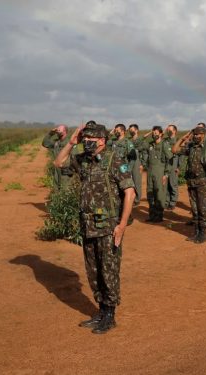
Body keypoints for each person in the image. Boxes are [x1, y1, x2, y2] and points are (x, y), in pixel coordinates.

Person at [53, 122, 135, 334]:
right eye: (84, 138)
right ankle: (100, 311)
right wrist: (71, 142)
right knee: (93, 271)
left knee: (108, 272)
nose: (86, 142)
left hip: (108, 227)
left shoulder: (114, 160)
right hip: (88, 225)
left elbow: (130, 193)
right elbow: (58, 162)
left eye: (90, 139)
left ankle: (110, 315)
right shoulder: (83, 161)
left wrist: (122, 225)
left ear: (102, 140)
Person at [172, 127, 206, 243]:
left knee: (202, 209)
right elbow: (175, 150)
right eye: (194, 134)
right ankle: (196, 232)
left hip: (202, 183)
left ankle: (203, 233)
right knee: (194, 209)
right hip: (191, 182)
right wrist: (181, 139)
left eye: (198, 134)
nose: (196, 136)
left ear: (204, 135)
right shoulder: (191, 147)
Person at [142, 126, 172, 222]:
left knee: (159, 194)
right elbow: (138, 145)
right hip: (150, 171)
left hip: (160, 171)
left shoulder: (165, 144)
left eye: (156, 133)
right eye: (153, 133)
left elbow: (170, 159)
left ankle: (159, 216)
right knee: (150, 193)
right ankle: (152, 215)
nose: (154, 135)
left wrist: (166, 174)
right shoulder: (150, 144)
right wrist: (144, 136)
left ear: (161, 134)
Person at [41, 124, 72, 189]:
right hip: (57, 169)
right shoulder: (56, 142)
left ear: (64, 131)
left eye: (59, 130)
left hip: (66, 169)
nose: (57, 131)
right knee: (56, 188)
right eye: (57, 130)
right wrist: (51, 133)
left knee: (65, 188)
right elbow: (45, 143)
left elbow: (74, 156)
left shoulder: (70, 142)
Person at [127, 124, 145, 205]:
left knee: (136, 181)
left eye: (132, 130)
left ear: (137, 130)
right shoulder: (129, 140)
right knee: (130, 181)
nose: (131, 131)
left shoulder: (141, 140)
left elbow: (145, 153)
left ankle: (137, 200)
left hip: (137, 161)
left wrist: (142, 164)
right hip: (129, 160)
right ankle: (131, 197)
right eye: (130, 130)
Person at [164, 124, 180, 210]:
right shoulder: (165, 140)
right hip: (166, 164)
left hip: (174, 163)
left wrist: (179, 167)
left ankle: (172, 202)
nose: (168, 131)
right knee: (166, 184)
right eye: (167, 129)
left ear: (175, 131)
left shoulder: (178, 140)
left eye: (170, 129)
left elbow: (181, 155)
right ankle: (166, 202)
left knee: (173, 184)